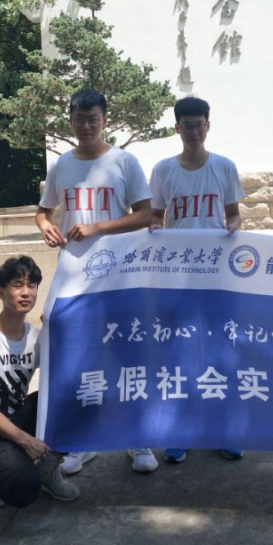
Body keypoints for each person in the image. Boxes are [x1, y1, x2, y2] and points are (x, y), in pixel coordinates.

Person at [35, 88, 156, 474]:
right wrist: (46, 226)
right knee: (78, 353)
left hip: (121, 274)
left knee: (127, 351)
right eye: (79, 119)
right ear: (70, 121)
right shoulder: (62, 165)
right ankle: (81, 441)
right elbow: (43, 211)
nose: (86, 125)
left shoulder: (124, 161)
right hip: (74, 274)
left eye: (93, 119)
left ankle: (138, 438)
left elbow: (146, 214)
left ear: (105, 120)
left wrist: (98, 228)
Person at [149, 96, 244, 463]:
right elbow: (155, 217)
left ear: (208, 126)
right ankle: (180, 430)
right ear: (177, 128)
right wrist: (156, 231)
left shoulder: (224, 167)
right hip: (178, 277)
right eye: (186, 125)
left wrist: (231, 228)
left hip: (218, 276)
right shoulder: (163, 170)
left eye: (198, 124)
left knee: (221, 352)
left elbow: (234, 214)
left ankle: (223, 430)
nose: (193, 131)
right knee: (180, 353)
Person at [0, 256, 79, 508]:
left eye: (32, 285)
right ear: (1, 292)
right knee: (23, 488)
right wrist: (26, 440)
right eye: (17, 285)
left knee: (76, 397)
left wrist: (58, 333)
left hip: (16, 419)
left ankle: (48, 470)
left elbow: (67, 373)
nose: (26, 292)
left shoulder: (36, 336)